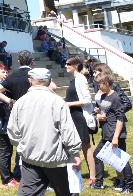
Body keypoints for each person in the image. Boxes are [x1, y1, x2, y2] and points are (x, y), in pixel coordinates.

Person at [7, 68, 82, 196]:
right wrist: (75, 153)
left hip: (31, 157)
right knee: (65, 192)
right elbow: (68, 131)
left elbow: (13, 132)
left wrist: (22, 146)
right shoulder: (57, 101)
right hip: (54, 159)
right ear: (49, 81)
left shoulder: (20, 102)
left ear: (30, 81)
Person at [92, 73, 133, 193]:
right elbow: (104, 112)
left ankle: (130, 186)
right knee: (97, 155)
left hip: (115, 133)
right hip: (107, 132)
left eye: (100, 84)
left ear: (106, 83)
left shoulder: (115, 97)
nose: (98, 87)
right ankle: (99, 183)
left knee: (121, 161)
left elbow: (120, 119)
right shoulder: (103, 96)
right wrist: (98, 113)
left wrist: (116, 137)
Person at [64, 56, 97, 187]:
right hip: (73, 115)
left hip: (80, 116)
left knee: (86, 146)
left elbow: (87, 100)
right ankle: (78, 172)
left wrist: (69, 104)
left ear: (76, 65)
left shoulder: (81, 79)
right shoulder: (74, 79)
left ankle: (93, 176)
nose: (66, 66)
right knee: (77, 145)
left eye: (68, 64)